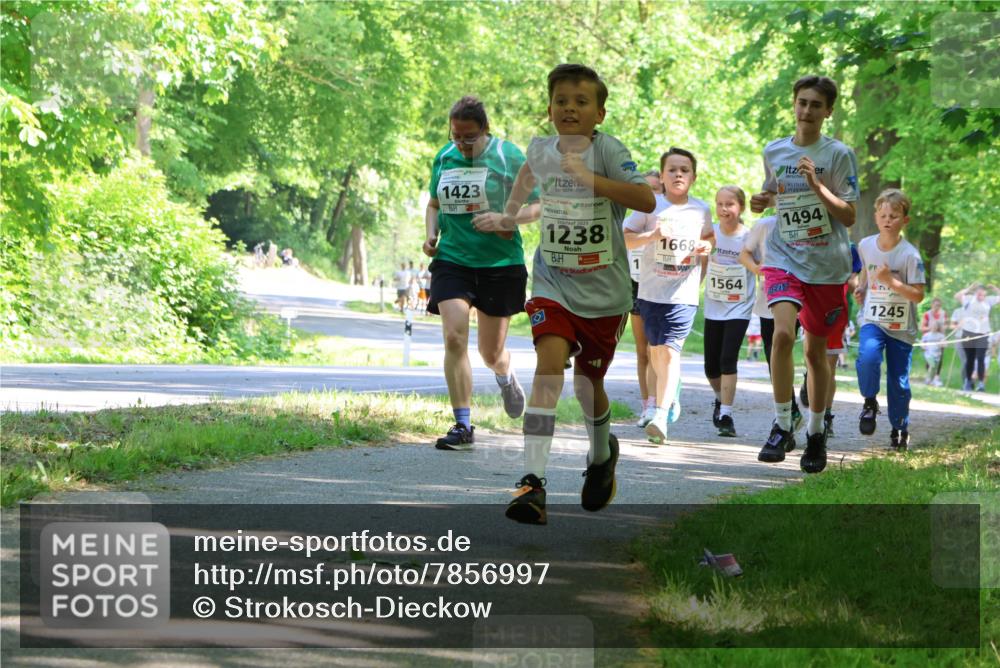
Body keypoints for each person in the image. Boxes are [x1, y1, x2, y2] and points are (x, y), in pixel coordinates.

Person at [481, 64, 655, 525]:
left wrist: (588, 179)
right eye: (561, 101)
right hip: (553, 284)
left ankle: (601, 457)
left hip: (605, 293)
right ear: (549, 109)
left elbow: (645, 200)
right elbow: (524, 175)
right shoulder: (541, 149)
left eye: (581, 102)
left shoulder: (609, 150)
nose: (570, 109)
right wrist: (510, 215)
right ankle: (532, 482)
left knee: (587, 384)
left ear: (599, 112)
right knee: (548, 368)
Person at [750, 74, 859, 474]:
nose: (807, 110)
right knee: (781, 335)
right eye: (802, 102)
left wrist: (816, 184)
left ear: (828, 111)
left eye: (816, 104)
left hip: (826, 266)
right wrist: (761, 200)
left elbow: (848, 215)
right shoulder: (774, 151)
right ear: (793, 105)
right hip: (783, 256)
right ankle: (782, 425)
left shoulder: (839, 154)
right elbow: (771, 193)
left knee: (815, 354)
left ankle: (815, 432)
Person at [424, 96, 538, 450]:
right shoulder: (445, 157)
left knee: (490, 352)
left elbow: (541, 206)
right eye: (456, 136)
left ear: (485, 130)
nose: (462, 144)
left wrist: (506, 219)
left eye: (469, 138)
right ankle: (462, 425)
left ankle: (504, 374)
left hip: (498, 264)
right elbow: (434, 204)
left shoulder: (508, 156)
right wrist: (431, 234)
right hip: (453, 259)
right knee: (454, 337)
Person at [624, 148, 713, 444]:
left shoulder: (700, 209)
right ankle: (667, 397)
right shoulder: (649, 206)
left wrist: (705, 247)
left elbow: (710, 237)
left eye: (684, 170)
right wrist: (651, 237)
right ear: (661, 176)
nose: (678, 174)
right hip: (650, 292)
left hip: (683, 294)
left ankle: (660, 414)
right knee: (656, 351)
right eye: (672, 169)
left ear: (694, 177)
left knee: (670, 351)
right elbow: (624, 237)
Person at [854, 189, 926, 450]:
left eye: (894, 216)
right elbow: (866, 271)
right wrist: (861, 288)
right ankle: (870, 402)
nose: (888, 220)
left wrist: (891, 282)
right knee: (868, 357)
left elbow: (918, 295)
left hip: (901, 326)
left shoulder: (910, 255)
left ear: (904, 220)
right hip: (873, 318)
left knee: (898, 381)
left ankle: (899, 426)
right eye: (883, 215)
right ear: (875, 217)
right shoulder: (865, 245)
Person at [739, 216, 804, 432]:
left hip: (805, 290)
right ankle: (789, 409)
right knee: (774, 351)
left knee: (807, 349)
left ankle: (811, 386)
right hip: (771, 294)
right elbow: (745, 253)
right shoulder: (766, 224)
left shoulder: (811, 219)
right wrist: (757, 269)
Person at [702, 186, 754, 437]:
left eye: (730, 204)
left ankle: (727, 414)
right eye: (720, 204)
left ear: (740, 207)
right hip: (714, 305)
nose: (724, 209)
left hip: (739, 306)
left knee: (727, 359)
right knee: (710, 367)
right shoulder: (710, 233)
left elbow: (761, 267)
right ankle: (719, 399)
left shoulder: (749, 236)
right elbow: (698, 260)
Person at [629, 170, 666, 427]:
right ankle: (646, 405)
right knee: (642, 351)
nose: (651, 194)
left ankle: (659, 400)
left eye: (656, 189)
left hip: (661, 285)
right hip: (634, 285)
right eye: (646, 189)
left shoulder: (669, 215)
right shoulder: (631, 216)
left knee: (657, 349)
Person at [954, 283, 1000, 391]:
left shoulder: (988, 301)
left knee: (981, 358)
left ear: (985, 295)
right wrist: (969, 288)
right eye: (979, 294)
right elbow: (957, 296)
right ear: (975, 293)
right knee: (969, 359)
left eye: (983, 295)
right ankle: (968, 381)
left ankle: (981, 383)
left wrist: (996, 289)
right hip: (968, 333)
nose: (981, 297)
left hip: (983, 333)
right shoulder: (969, 299)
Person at [920, 297, 948, 386]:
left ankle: (936, 378)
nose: (937, 307)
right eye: (936, 305)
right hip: (929, 340)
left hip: (940, 339)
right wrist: (932, 328)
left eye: (939, 305)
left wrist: (942, 330)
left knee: (939, 360)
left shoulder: (943, 314)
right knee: (929, 360)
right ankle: (929, 377)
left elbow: (946, 326)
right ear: (932, 305)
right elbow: (922, 327)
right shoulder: (927, 314)